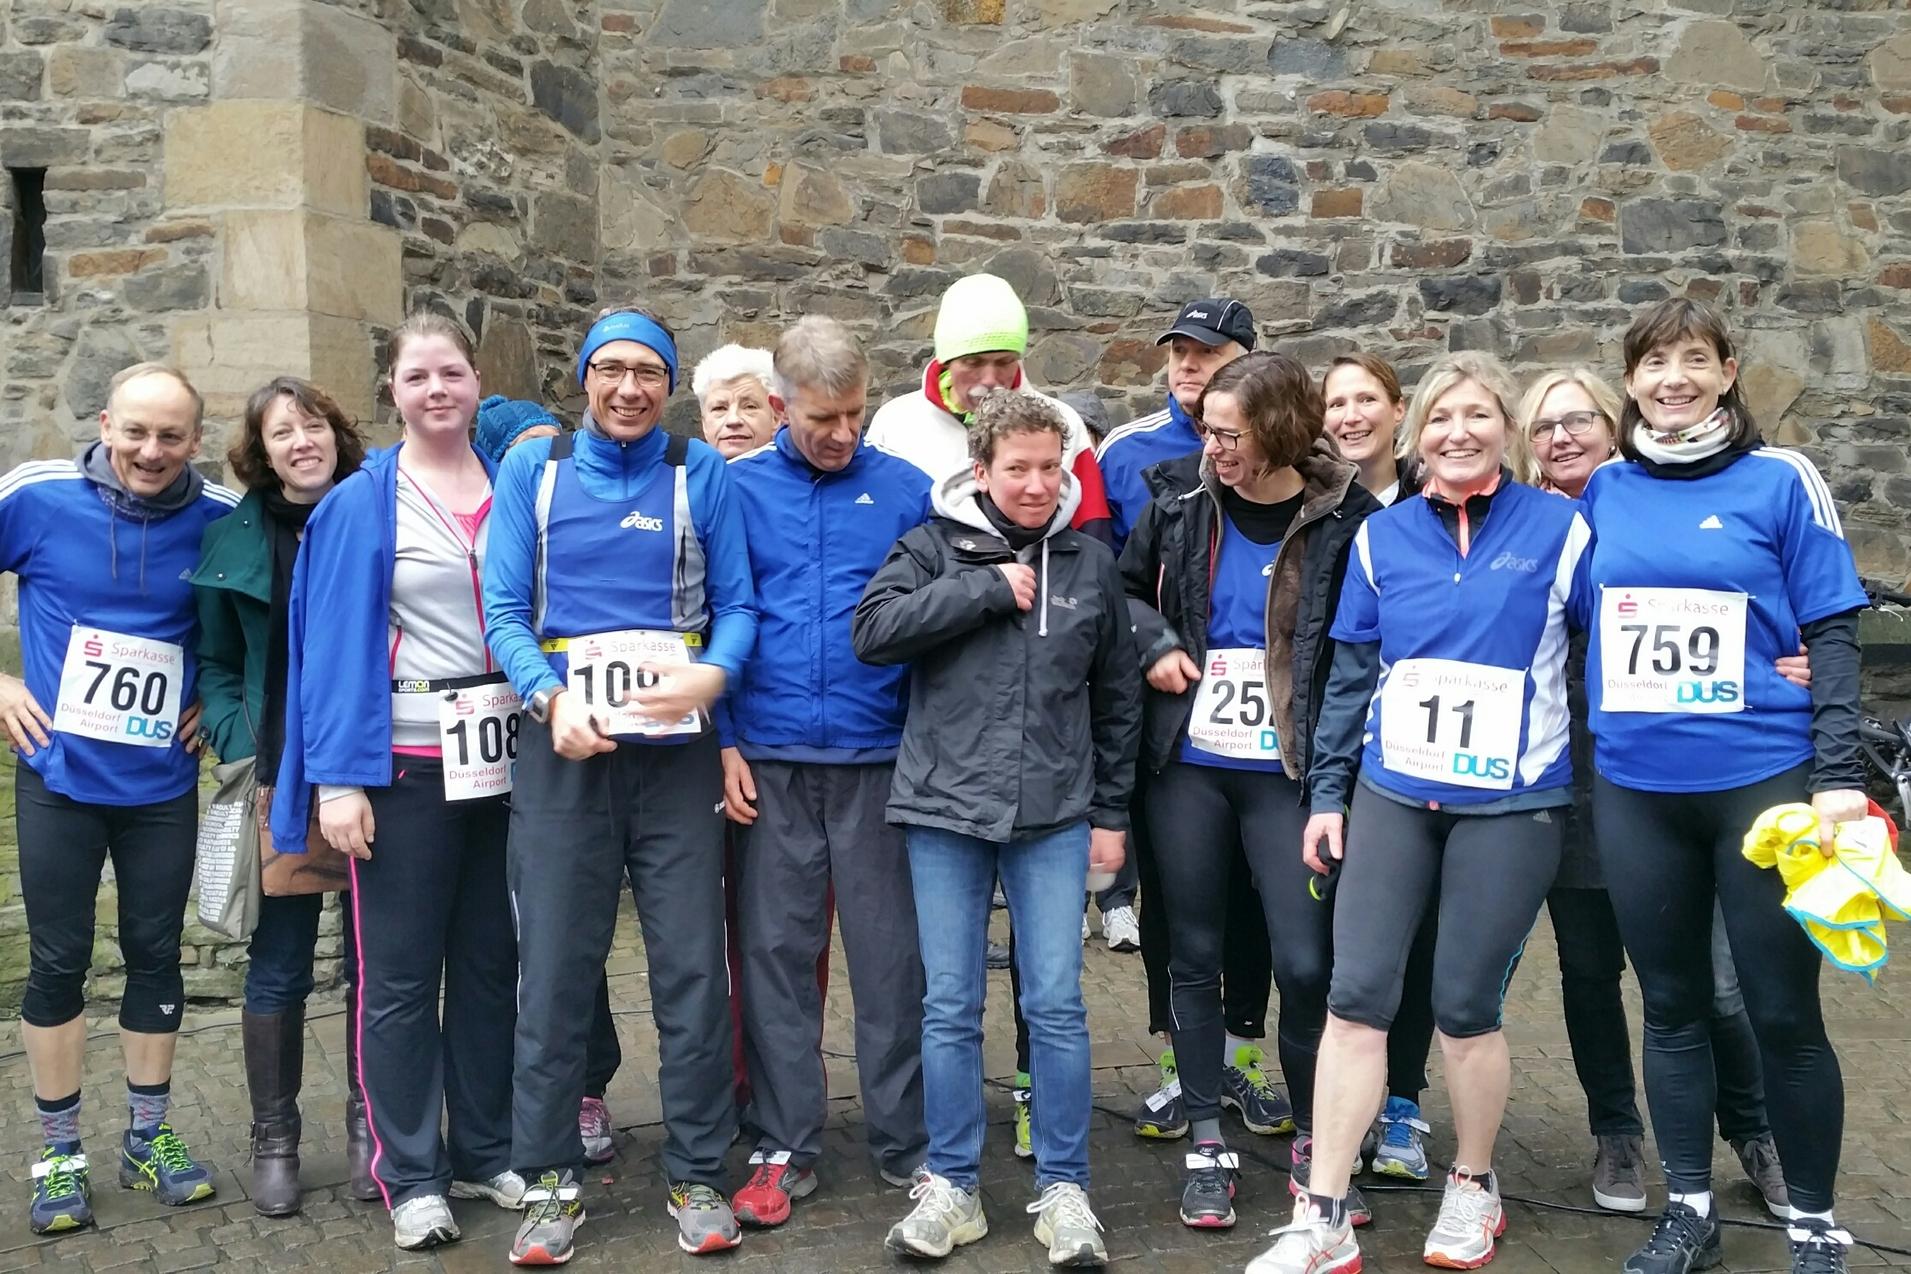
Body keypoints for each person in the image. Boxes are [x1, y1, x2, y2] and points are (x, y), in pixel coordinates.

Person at [1251, 351, 1585, 1274]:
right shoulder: (1379, 538)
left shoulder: (1561, 530)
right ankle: (1319, 1213)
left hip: (1510, 805)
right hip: (1394, 793)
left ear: (1505, 428)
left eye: (1476, 416)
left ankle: (1472, 1185)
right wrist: (1326, 796)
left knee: (1464, 1007)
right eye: (1440, 419)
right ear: (1416, 432)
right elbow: (1350, 675)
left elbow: (1617, 639)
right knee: (1353, 1000)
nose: (1457, 434)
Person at [1581, 299, 1866, 1274]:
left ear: (1728, 371)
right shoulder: (1605, 490)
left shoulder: (1783, 479)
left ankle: (1816, 1225)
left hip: (1764, 779)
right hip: (1635, 785)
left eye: (1693, 361)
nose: (1673, 379)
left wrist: (1835, 775)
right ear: (1630, 381)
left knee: (1782, 1009)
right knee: (1670, 1003)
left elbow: (1832, 629)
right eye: (1654, 362)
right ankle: (1691, 1208)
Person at [484, 305, 756, 1263]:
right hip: (566, 755)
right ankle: (550, 1181)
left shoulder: (698, 471)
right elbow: (505, 610)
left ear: (668, 383)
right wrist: (548, 697)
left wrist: (715, 674)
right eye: (612, 370)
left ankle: (696, 1175)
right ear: (585, 378)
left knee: (688, 970)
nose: (630, 388)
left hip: (673, 759)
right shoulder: (537, 468)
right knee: (554, 969)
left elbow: (740, 605)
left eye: (648, 371)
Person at [854, 388, 1140, 1267]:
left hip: (1053, 815)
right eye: (1016, 469)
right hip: (944, 808)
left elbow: (1116, 697)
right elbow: (873, 631)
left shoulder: (1090, 565)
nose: (1035, 485)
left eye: (1050, 469)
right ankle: (952, 1187)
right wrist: (979, 590)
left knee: (1054, 1003)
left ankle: (1064, 1188)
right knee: (948, 1006)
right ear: (980, 471)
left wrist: (1113, 817)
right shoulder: (931, 546)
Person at [271, 314, 522, 1250]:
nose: (436, 390)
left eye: (451, 373)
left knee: (494, 964)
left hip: (504, 764)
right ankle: (410, 1171)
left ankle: (485, 1144)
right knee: (401, 979)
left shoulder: (516, 485)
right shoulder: (358, 502)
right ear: (392, 390)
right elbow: (330, 649)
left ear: (476, 380)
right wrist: (338, 783)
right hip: (404, 767)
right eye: (417, 376)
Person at [1120, 352, 1382, 1231]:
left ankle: (1318, 1143)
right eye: (1206, 430)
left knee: (1306, 961)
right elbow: (1121, 591)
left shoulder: (1347, 516)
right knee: (1191, 953)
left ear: (1277, 432)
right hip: (1189, 767)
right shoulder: (1177, 498)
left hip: (1288, 773)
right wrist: (1153, 638)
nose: (1211, 445)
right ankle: (1206, 1139)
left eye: (1228, 433)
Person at [1521, 367, 1792, 1219]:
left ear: (1617, 425)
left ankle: (1753, 1132)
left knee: (1710, 982)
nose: (1560, 437)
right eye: (1541, 427)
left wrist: (1798, 659)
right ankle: (1616, 1133)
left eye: (1577, 421)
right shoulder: (1523, 530)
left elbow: (1764, 594)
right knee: (1590, 970)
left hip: (1681, 781)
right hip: (1567, 783)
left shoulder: (1657, 510)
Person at [2, 363, 237, 1234]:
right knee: (59, 961)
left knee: (154, 953)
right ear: (105, 423)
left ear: (195, 441)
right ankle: (60, 1150)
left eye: (170, 436)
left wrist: (217, 702)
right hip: (58, 777)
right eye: (134, 431)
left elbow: (258, 627)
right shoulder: (39, 494)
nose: (149, 450)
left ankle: (147, 1137)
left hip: (159, 786)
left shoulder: (218, 517)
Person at [722, 317, 933, 1225]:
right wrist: (722, 739)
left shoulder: (909, 491)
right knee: (774, 956)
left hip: (881, 760)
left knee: (891, 963)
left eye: (855, 414)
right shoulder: (729, 491)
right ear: (776, 407)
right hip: (766, 761)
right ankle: (783, 1139)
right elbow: (709, 616)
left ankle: (907, 1140)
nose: (843, 433)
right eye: (821, 419)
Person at [1095, 300, 1286, 1144]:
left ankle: (1243, 1059)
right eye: (1177, 351)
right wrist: (1152, 643)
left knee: (1256, 905)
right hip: (1172, 726)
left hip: (1267, 745)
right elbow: (1109, 582)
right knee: (1176, 905)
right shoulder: (1131, 454)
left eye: (1206, 352)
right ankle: (1182, 1069)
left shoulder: (1296, 466)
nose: (1186, 364)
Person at [191, 376, 368, 1216]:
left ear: (336, 433)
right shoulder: (235, 539)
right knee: (281, 965)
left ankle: (376, 1123)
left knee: (381, 965)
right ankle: (275, 1139)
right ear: (260, 453)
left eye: (314, 425)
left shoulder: (379, 510)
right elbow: (218, 664)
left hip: (378, 766)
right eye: (281, 433)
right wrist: (240, 739)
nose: (302, 442)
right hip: (283, 772)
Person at [1318, 352, 1440, 1184]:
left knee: (1422, 942)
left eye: (1367, 399)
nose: (1350, 415)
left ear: (1399, 411)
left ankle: (1404, 1101)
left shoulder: (1437, 501)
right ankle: (1339, 1110)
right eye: (1336, 402)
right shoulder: (1313, 503)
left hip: (1427, 754)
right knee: (1347, 950)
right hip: (1338, 752)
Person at [866, 272, 1112, 545]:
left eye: (1004, 362)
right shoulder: (896, 425)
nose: (989, 379)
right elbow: (875, 533)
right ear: (946, 361)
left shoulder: (1063, 422)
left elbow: (1092, 537)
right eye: (973, 362)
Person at [693, 344, 779, 459]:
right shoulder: (684, 474)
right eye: (719, 408)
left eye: (749, 407)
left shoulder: (801, 475)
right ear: (704, 423)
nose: (733, 420)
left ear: (776, 418)